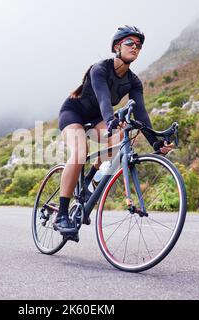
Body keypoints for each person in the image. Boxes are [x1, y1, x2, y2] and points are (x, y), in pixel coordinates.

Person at [55, 25, 173, 239]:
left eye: (138, 45)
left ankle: (89, 182)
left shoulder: (134, 81)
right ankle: (62, 215)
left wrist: (155, 142)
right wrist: (110, 119)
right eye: (130, 43)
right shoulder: (99, 68)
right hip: (73, 113)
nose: (135, 47)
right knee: (80, 152)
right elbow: (103, 98)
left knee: (122, 142)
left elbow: (142, 114)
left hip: (98, 118)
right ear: (117, 47)